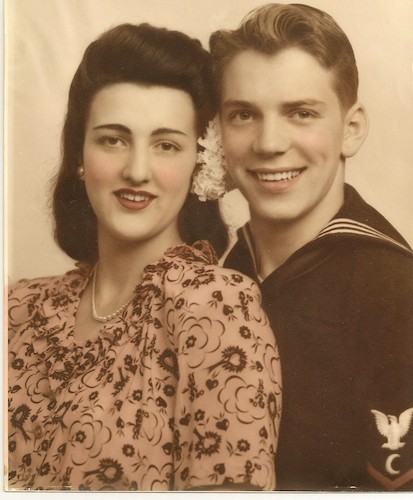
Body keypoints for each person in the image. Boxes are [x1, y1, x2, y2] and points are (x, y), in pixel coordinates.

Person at [7, 23, 282, 491]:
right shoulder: (17, 309)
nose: (136, 171)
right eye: (113, 139)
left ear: (199, 162)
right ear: (79, 154)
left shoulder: (216, 307)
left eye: (166, 145)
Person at [209, 2, 413, 491]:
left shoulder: (393, 292)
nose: (270, 142)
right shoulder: (224, 269)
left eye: (301, 113)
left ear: (352, 128)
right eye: (244, 115)